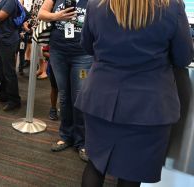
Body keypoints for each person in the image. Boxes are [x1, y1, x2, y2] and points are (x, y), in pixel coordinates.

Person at [75, 0, 193, 186]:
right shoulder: (172, 6)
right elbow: (183, 57)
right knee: (132, 172)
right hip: (148, 107)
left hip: (100, 100)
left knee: (96, 164)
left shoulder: (96, 4)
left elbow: (88, 46)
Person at [39, 0, 92, 161]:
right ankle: (66, 135)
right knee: (64, 96)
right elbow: (42, 14)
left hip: (83, 55)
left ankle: (82, 141)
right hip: (58, 53)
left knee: (79, 97)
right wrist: (57, 16)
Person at [0, 0, 21, 111]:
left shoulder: (10, 1)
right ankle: (3, 94)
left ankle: (14, 100)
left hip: (8, 40)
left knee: (8, 71)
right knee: (0, 70)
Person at [42, 45, 58, 120]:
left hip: (74, 63)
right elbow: (44, 52)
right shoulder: (53, 33)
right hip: (55, 63)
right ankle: (53, 108)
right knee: (54, 87)